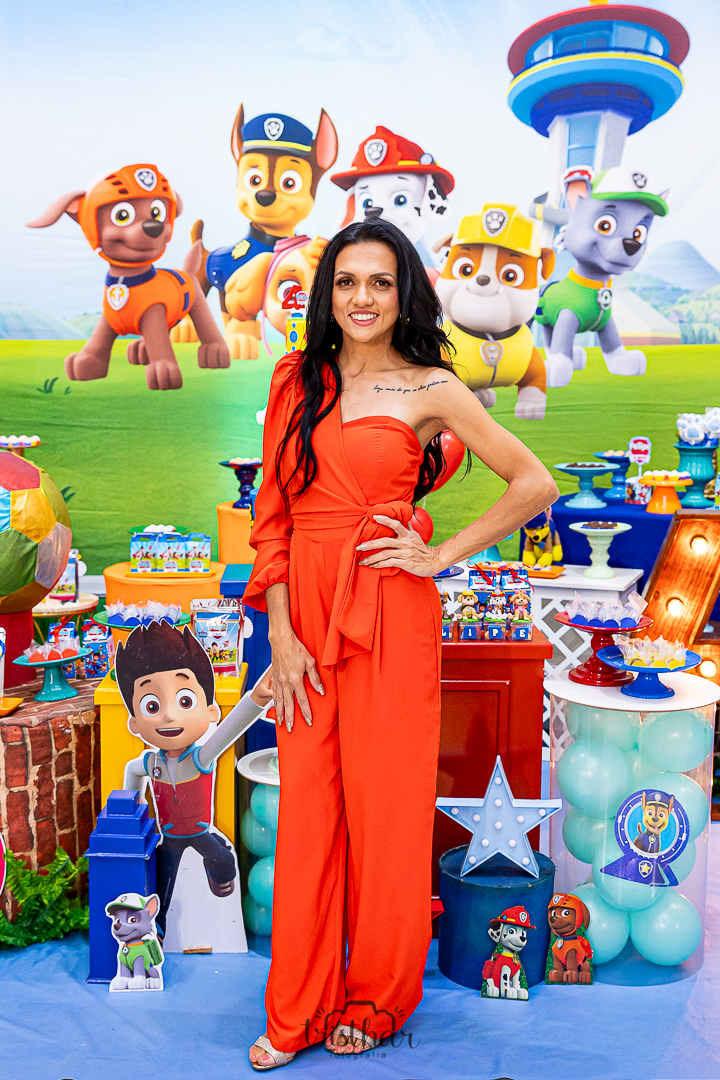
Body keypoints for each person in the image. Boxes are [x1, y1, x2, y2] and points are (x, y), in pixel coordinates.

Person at [243, 219, 557, 1070]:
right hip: (306, 617)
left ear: (404, 292)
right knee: (310, 816)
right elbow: (272, 518)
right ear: (328, 293)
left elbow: (534, 483)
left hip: (390, 611)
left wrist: (441, 555)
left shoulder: (432, 386)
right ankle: (297, 1009)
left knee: (386, 813)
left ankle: (376, 998)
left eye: (380, 282)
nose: (363, 298)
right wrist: (280, 635)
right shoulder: (295, 380)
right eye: (347, 281)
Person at [117, 620, 273, 933]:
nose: (168, 715)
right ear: (134, 722)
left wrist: (257, 698)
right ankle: (157, 931)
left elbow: (228, 732)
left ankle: (220, 878)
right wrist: (131, 814)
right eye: (152, 705)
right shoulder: (150, 762)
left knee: (223, 860)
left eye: (184, 701)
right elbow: (132, 772)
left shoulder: (199, 758)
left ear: (211, 711)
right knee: (161, 885)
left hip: (201, 831)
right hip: (169, 838)